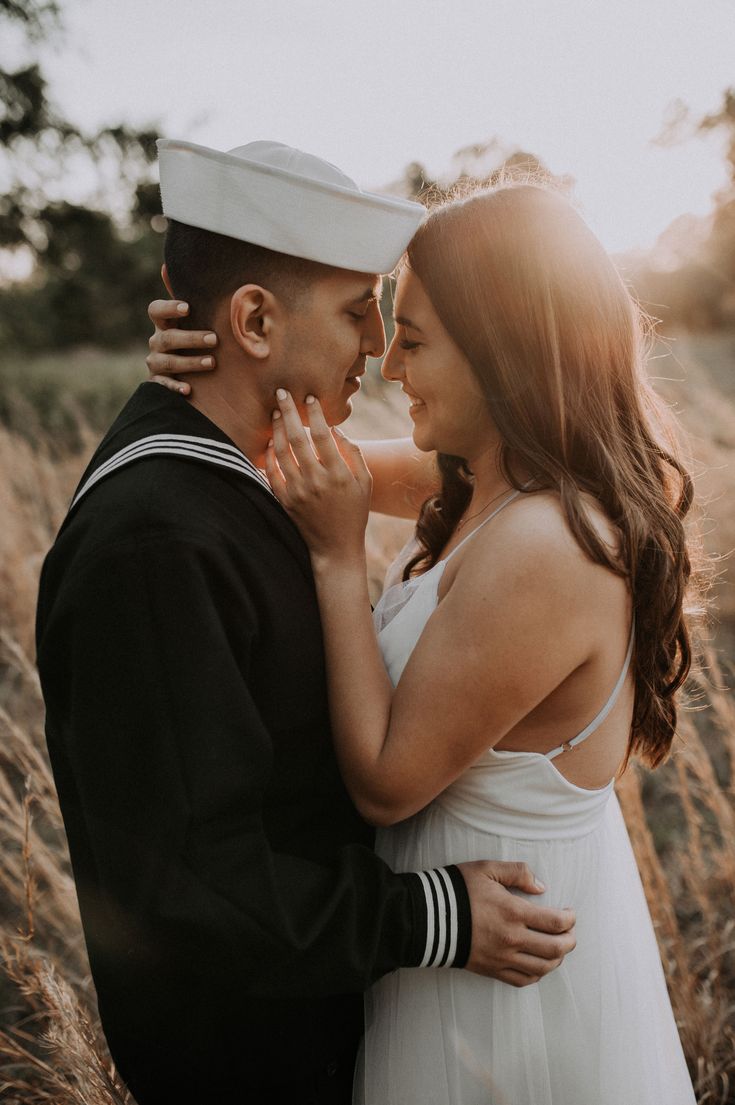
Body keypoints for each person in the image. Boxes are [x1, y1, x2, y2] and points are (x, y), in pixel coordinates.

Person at [36, 141, 577, 1105]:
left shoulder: (230, 470)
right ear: (252, 318)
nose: (374, 345)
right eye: (352, 310)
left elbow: (500, 473)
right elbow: (197, 886)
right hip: (249, 1064)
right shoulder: (156, 541)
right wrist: (430, 917)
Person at [148, 181, 698, 1102]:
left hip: (498, 1001)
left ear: (505, 353)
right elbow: (306, 456)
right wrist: (208, 373)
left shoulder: (547, 545)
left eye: (414, 339)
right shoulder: (484, 483)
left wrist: (334, 559)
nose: (390, 366)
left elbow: (384, 779)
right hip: (452, 944)